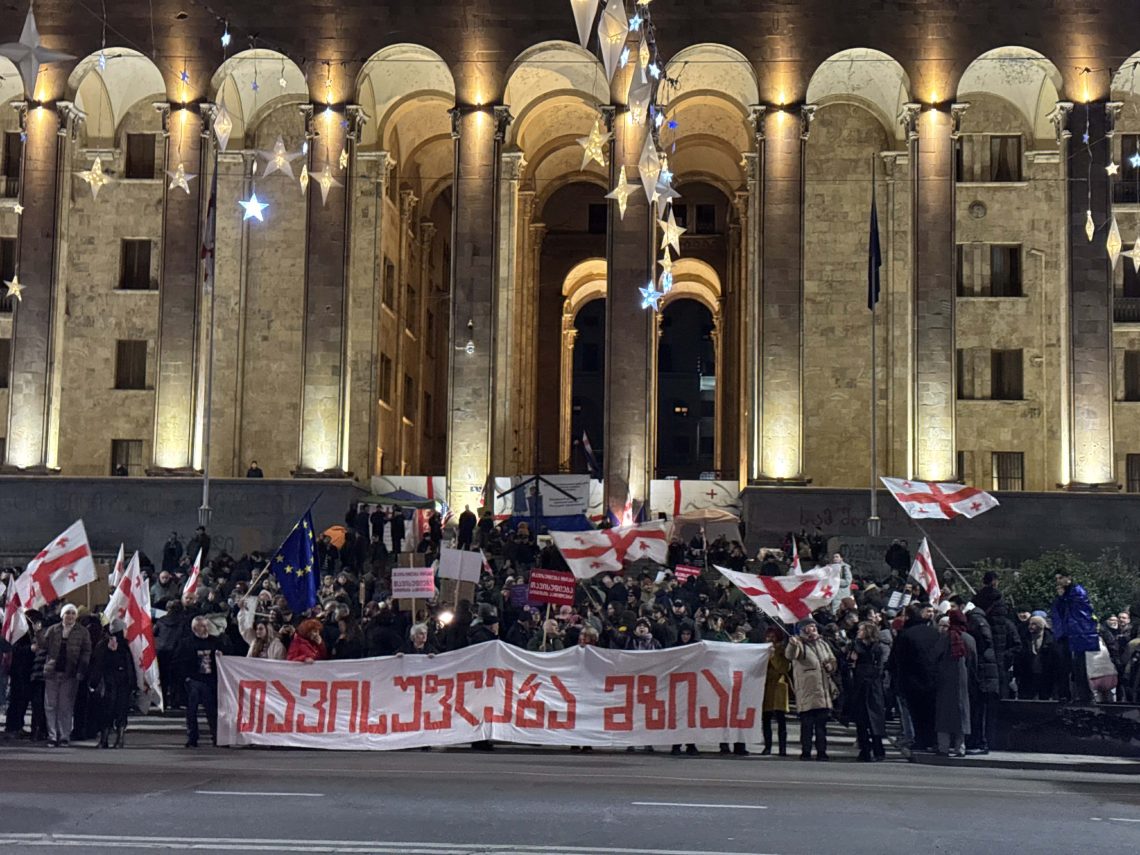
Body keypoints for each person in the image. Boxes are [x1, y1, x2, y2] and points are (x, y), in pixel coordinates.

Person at [888, 603, 940, 755]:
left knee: (917, 714)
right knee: (931, 712)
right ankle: (932, 740)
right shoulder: (934, 633)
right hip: (933, 679)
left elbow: (897, 660)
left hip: (911, 681)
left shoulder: (905, 635)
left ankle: (921, 741)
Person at [41, 604, 92, 747]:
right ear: (62, 615)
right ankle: (52, 735)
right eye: (67, 613)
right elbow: (43, 645)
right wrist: (38, 632)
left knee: (66, 706)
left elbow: (86, 651)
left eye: (72, 613)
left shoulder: (82, 632)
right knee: (50, 705)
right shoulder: (53, 629)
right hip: (52, 672)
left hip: (70, 673)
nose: (70, 616)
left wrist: (82, 669)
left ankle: (64, 735)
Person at [786, 619, 837, 761]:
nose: (813, 629)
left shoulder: (822, 643)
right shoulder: (799, 643)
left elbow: (832, 659)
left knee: (821, 725)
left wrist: (831, 666)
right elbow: (790, 655)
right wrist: (792, 644)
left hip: (822, 690)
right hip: (807, 690)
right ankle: (806, 751)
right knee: (807, 725)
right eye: (810, 627)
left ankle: (822, 751)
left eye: (814, 626)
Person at [934, 610, 977, 757]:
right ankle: (960, 748)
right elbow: (973, 661)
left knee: (943, 715)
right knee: (961, 714)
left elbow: (935, 657)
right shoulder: (969, 639)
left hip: (944, 681)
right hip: (963, 681)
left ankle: (943, 747)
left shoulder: (945, 638)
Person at [1051, 572, 1099, 702]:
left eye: (1061, 578)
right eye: (1056, 579)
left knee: (1080, 667)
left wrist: (1063, 597)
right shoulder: (1062, 595)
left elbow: (1079, 608)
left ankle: (1084, 696)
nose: (1058, 581)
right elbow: (1059, 611)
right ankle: (1066, 695)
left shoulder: (1077, 591)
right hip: (1065, 634)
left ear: (1069, 578)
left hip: (1078, 633)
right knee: (1065, 666)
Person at [179, 615, 225, 747]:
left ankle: (217, 737)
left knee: (212, 711)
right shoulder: (186, 643)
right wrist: (186, 678)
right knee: (191, 711)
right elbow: (179, 662)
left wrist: (221, 655)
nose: (205, 628)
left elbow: (227, 653)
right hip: (194, 680)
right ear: (194, 628)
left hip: (210, 681)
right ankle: (192, 737)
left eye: (206, 625)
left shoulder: (215, 642)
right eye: (202, 626)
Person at [89, 620, 135, 748]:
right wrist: (133, 684)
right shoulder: (126, 646)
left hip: (109, 682)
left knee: (107, 710)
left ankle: (105, 739)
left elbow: (97, 665)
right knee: (120, 710)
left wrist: (93, 683)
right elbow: (130, 666)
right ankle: (119, 739)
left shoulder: (103, 645)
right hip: (120, 682)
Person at [848, 621, 887, 761]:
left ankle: (878, 749)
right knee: (861, 720)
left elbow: (880, 667)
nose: (858, 632)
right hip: (859, 686)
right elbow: (848, 663)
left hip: (873, 687)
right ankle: (865, 749)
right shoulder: (855, 646)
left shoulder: (877, 647)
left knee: (874, 720)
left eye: (861, 630)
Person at [761, 626, 790, 756]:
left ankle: (782, 748)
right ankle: (767, 746)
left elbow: (782, 668)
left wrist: (773, 656)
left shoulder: (782, 651)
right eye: (768, 637)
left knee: (781, 720)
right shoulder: (762, 650)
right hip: (766, 687)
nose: (770, 639)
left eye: (773, 637)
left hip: (778, 687)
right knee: (766, 720)